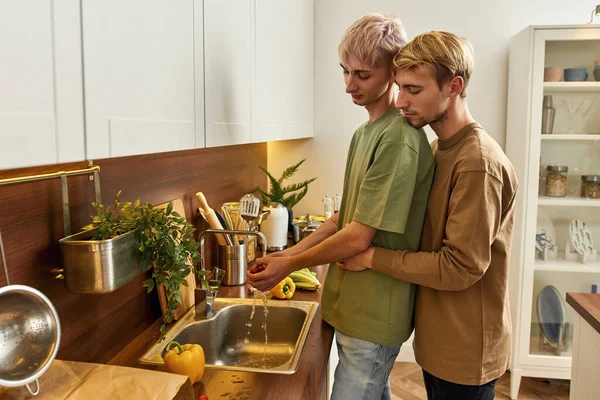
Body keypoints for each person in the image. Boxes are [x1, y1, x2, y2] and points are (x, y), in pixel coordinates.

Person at [247, 13, 434, 400]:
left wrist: (288, 264)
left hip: (373, 314)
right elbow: (342, 218)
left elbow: (356, 237)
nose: (350, 84)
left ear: (393, 71)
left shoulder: (398, 139)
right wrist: (286, 254)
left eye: (362, 75)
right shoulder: (366, 132)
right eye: (345, 71)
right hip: (352, 307)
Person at [339, 31, 518, 400]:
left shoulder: (477, 163)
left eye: (414, 90)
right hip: (440, 341)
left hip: (466, 349)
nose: (401, 101)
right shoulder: (439, 147)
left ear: (453, 86)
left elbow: (460, 267)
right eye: (399, 87)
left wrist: (370, 256)